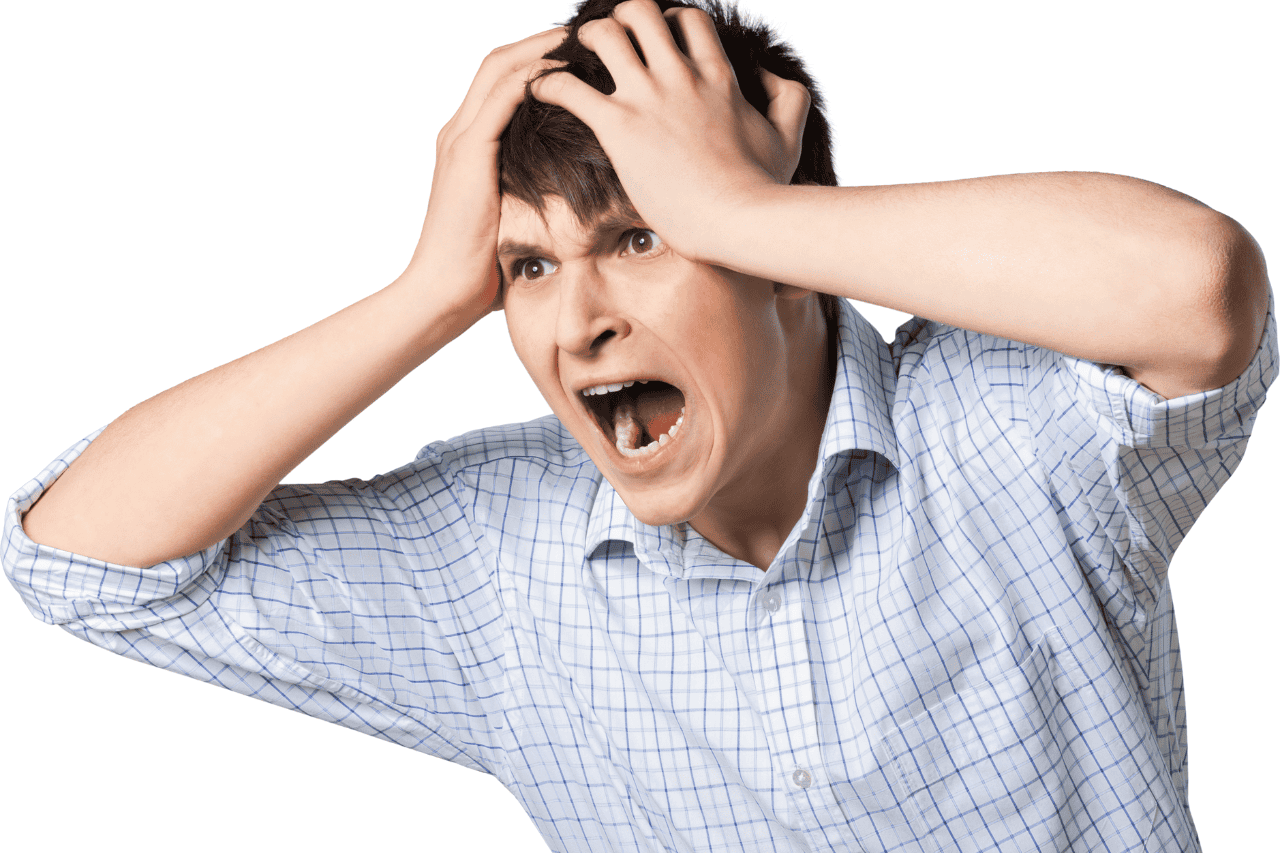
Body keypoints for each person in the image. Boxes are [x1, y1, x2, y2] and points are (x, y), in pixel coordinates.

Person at [1, 0, 1274, 851]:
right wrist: (428, 292)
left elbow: (1195, 289)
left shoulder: (993, 436)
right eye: (531, 268)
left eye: (639, 237)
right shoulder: (496, 561)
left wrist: (740, 212)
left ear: (781, 243)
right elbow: (83, 560)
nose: (579, 321)